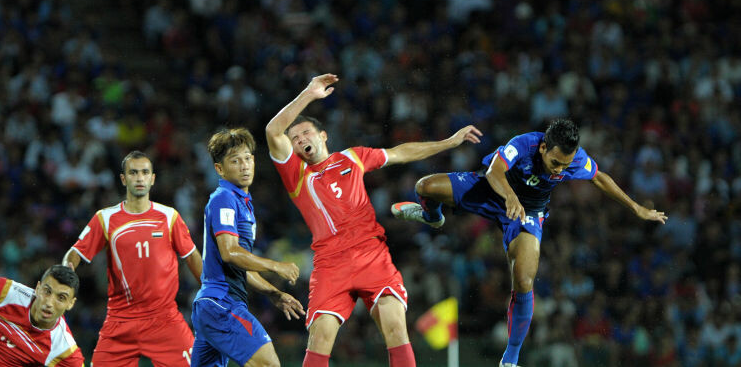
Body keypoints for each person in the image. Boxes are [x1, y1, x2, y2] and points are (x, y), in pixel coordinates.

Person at [391, 118, 668, 367]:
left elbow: (600, 178)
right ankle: (432, 218)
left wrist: (636, 208)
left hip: (528, 213)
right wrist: (510, 196)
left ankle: (510, 360)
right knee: (425, 187)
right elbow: (494, 171)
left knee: (524, 279)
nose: (559, 170)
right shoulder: (524, 144)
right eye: (555, 163)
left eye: (565, 165)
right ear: (544, 147)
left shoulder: (575, 160)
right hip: (491, 191)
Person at [265, 73, 482, 367]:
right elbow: (272, 130)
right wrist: (309, 93)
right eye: (295, 138)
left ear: (323, 135)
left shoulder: (352, 158)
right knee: (320, 340)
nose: (301, 139)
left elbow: (400, 153)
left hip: (372, 255)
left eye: (306, 132)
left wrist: (448, 142)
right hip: (330, 264)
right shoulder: (296, 174)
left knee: (396, 329)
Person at [62, 150, 202, 366]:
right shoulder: (105, 218)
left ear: (152, 179)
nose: (139, 178)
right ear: (123, 178)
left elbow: (191, 257)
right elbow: (75, 253)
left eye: (145, 172)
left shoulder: (169, 216)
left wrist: (213, 290)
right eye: (133, 172)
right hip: (120, 321)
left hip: (164, 319)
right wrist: (66, 272)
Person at [191, 127, 305, 367]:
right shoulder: (224, 198)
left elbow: (241, 265)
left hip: (212, 307)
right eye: (235, 161)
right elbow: (230, 252)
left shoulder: (243, 203)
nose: (244, 166)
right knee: (269, 364)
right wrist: (275, 265)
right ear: (219, 169)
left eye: (247, 158)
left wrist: (274, 293)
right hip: (221, 303)